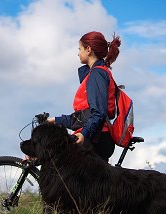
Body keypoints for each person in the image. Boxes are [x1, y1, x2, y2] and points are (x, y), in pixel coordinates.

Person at [47, 31, 121, 162]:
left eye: (79, 49)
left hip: (96, 139)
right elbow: (84, 116)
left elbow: (98, 112)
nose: (78, 53)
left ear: (88, 50)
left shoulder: (97, 74)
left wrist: (84, 133)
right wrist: (56, 120)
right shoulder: (95, 73)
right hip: (96, 135)